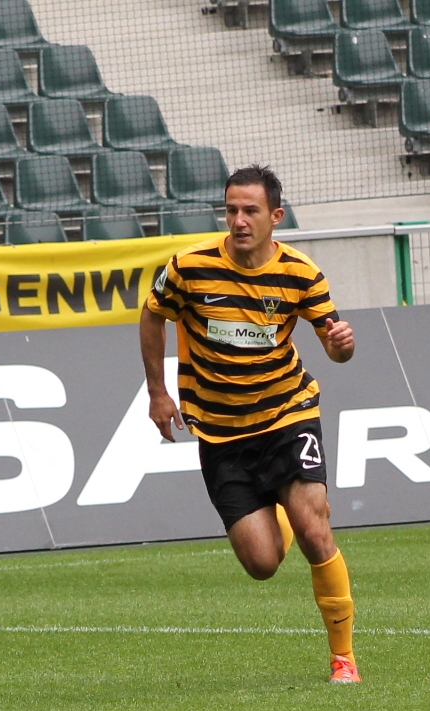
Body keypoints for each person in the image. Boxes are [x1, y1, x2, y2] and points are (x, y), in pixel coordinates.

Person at [139, 164, 360, 683]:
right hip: (221, 433)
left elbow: (335, 347)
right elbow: (152, 315)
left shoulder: (301, 273)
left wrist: (341, 346)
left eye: (250, 211)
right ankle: (289, 510)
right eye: (232, 210)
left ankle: (343, 659)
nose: (239, 220)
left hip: (288, 413)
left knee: (315, 532)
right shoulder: (189, 267)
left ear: (275, 216)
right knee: (262, 563)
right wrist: (157, 392)